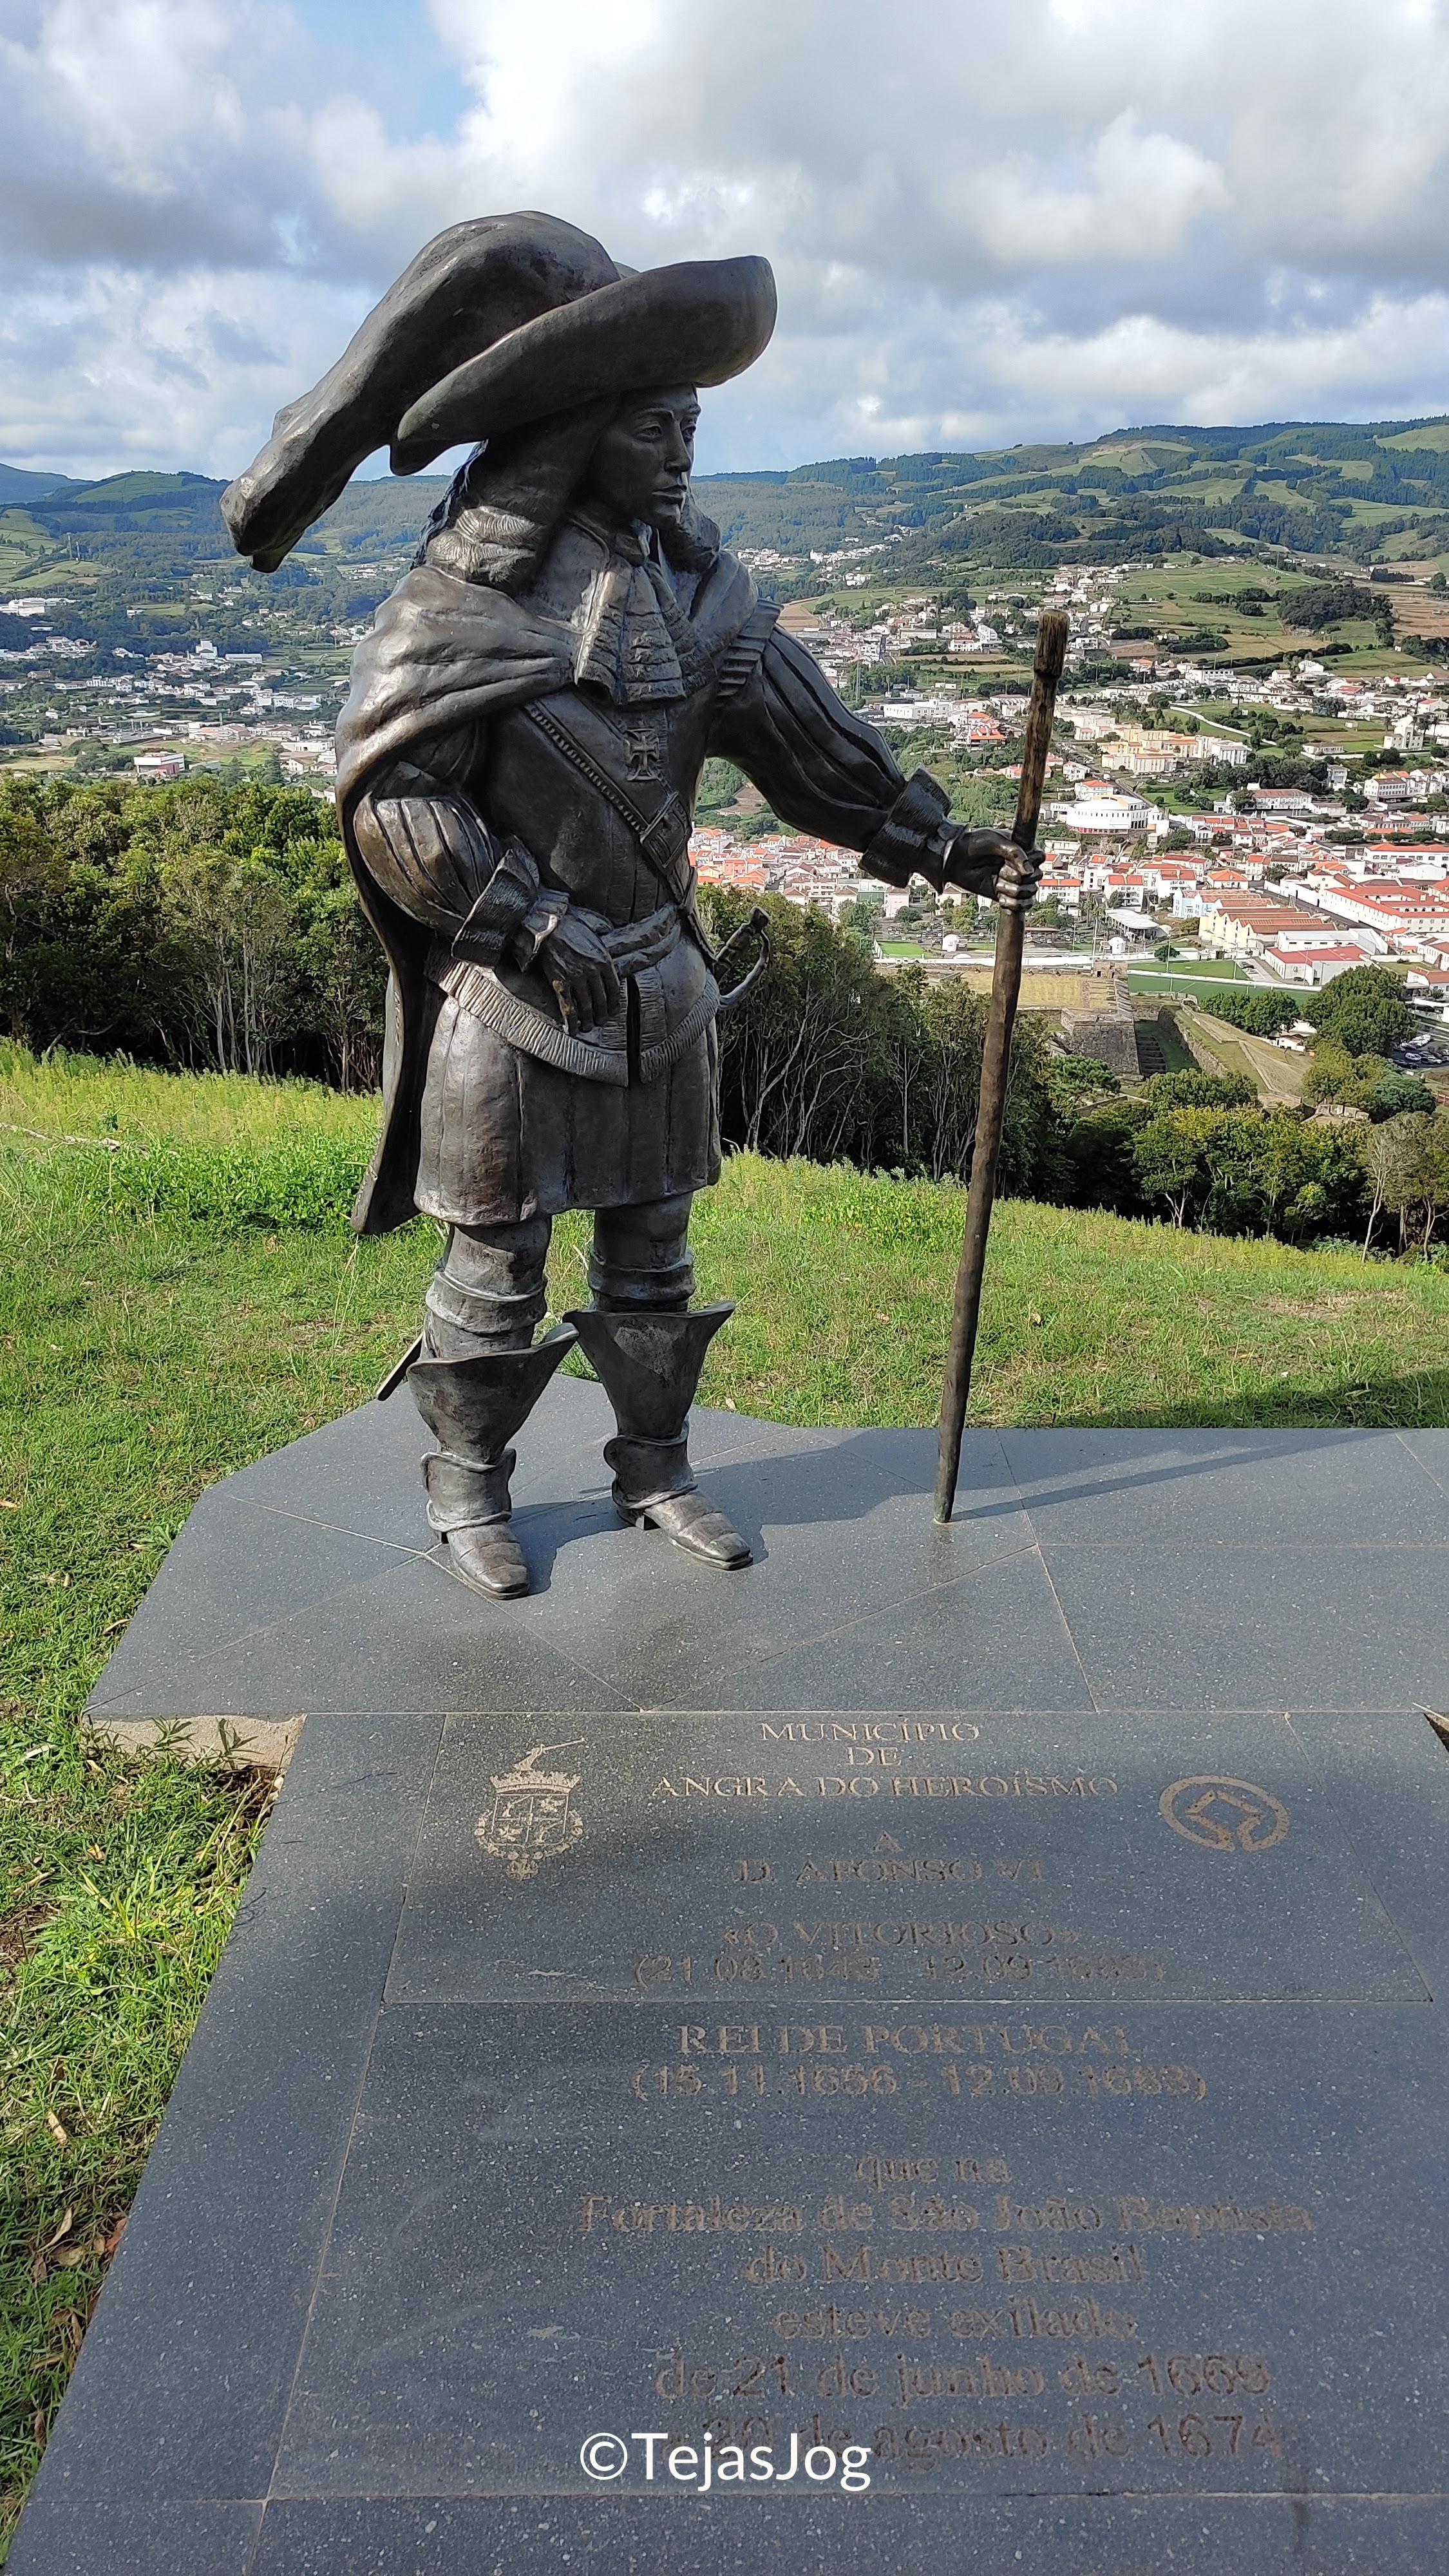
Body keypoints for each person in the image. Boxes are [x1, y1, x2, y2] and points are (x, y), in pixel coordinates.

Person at [222, 214, 1039, 1602]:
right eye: (656, 425)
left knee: (654, 1250)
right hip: (514, 993)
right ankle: (467, 1483)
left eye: (690, 426)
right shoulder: (451, 611)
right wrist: (531, 925)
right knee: (497, 1261)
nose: (680, 452)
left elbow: (809, 748)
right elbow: (400, 799)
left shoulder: (706, 603)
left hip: (666, 983)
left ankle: (653, 1461)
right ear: (579, 426)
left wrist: (944, 845)